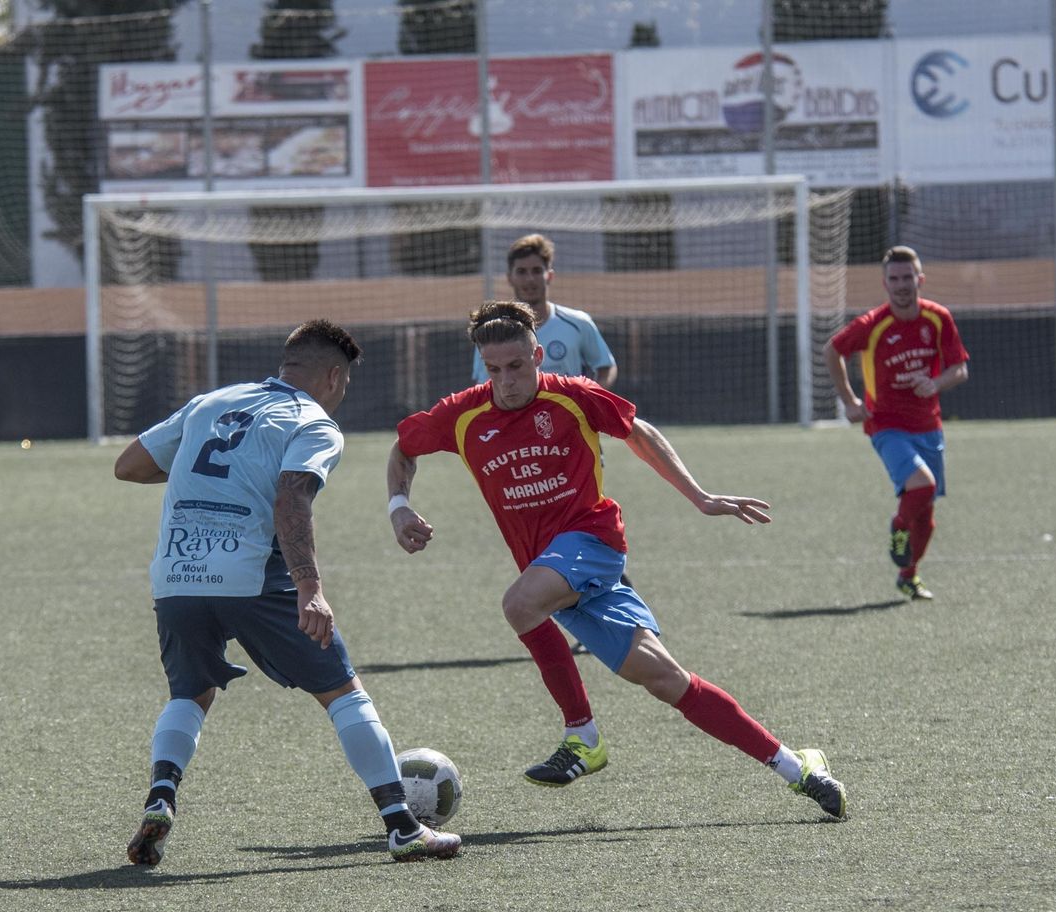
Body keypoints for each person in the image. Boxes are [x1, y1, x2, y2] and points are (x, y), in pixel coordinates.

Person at [388, 300, 847, 820]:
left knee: (518, 605)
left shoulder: (574, 398)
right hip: (557, 575)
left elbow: (639, 432)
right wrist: (399, 507)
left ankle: (582, 736)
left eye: (517, 366)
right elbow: (403, 448)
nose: (507, 381)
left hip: (593, 543)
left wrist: (699, 496)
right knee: (665, 679)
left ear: (538, 354)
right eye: (494, 370)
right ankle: (798, 767)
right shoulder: (464, 414)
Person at [114, 319, 461, 866]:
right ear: (332, 375)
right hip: (252, 575)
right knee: (344, 693)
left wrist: (208, 481)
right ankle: (402, 826)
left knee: (190, 694)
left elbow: (129, 465)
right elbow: (291, 499)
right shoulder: (313, 422)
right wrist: (311, 588)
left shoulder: (212, 401)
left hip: (176, 574)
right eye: (343, 385)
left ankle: (162, 795)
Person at [822, 246, 969, 601]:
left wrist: (935, 384)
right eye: (895, 279)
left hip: (929, 426)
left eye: (908, 278)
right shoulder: (874, 324)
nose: (902, 285)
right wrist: (850, 401)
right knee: (922, 486)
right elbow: (832, 349)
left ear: (920, 279)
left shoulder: (938, 318)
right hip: (886, 424)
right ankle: (897, 526)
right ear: (885, 284)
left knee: (927, 516)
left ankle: (909, 574)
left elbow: (959, 369)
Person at [470, 233, 617, 389]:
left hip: (568, 412)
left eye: (537, 271)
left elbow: (606, 367)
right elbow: (483, 384)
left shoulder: (578, 323)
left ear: (549, 276)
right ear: (509, 278)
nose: (530, 279)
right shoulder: (493, 332)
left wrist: (591, 399)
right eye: (521, 271)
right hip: (517, 414)